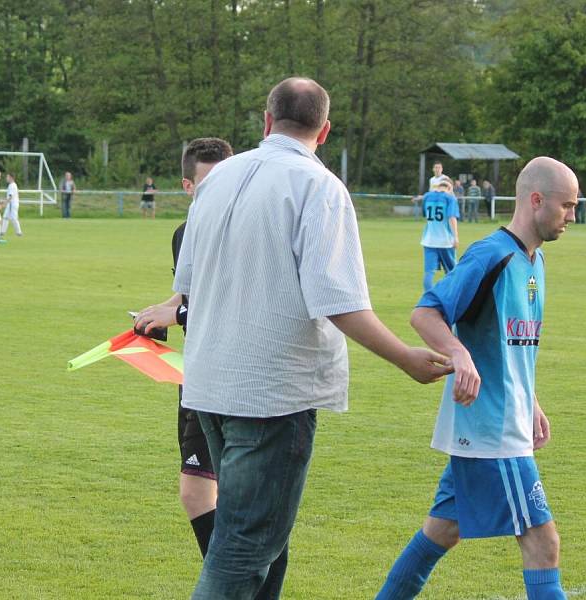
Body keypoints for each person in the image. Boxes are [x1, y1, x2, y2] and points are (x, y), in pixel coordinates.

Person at [173, 77, 451, 600]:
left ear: (266, 121)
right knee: (243, 547)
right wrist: (406, 358)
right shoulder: (318, 186)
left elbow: (184, 284)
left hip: (207, 385)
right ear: (324, 132)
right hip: (272, 396)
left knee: (263, 541)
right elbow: (340, 301)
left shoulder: (215, 180)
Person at [376, 156, 578, 600]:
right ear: (537, 200)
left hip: (502, 422)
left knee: (441, 532)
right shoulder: (492, 255)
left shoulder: (535, 262)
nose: (572, 216)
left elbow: (510, 348)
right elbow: (425, 313)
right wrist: (458, 353)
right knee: (543, 544)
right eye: (566, 206)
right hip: (490, 429)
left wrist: (532, 401)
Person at [134, 138, 233, 562]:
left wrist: (178, 314)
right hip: (196, 375)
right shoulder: (184, 234)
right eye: (207, 184)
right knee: (197, 491)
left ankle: (230, 585)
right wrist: (157, 314)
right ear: (188, 186)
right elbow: (187, 298)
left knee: (231, 494)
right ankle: (231, 584)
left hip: (239, 375)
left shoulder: (243, 229)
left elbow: (230, 305)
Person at [420, 179, 460, 291]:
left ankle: (428, 300)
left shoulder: (427, 196)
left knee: (429, 272)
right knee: (453, 272)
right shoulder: (450, 198)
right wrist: (456, 237)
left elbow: (425, 214)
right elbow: (452, 217)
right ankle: (451, 296)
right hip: (446, 241)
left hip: (429, 240)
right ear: (449, 188)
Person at [2, 172, 23, 237]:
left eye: (7, 177)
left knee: (13, 218)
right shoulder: (12, 185)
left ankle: (19, 232)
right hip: (11, 204)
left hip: (12, 204)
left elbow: (10, 196)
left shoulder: (12, 185)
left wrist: (5, 203)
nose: (6, 178)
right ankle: (2, 232)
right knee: (5, 217)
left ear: (11, 178)